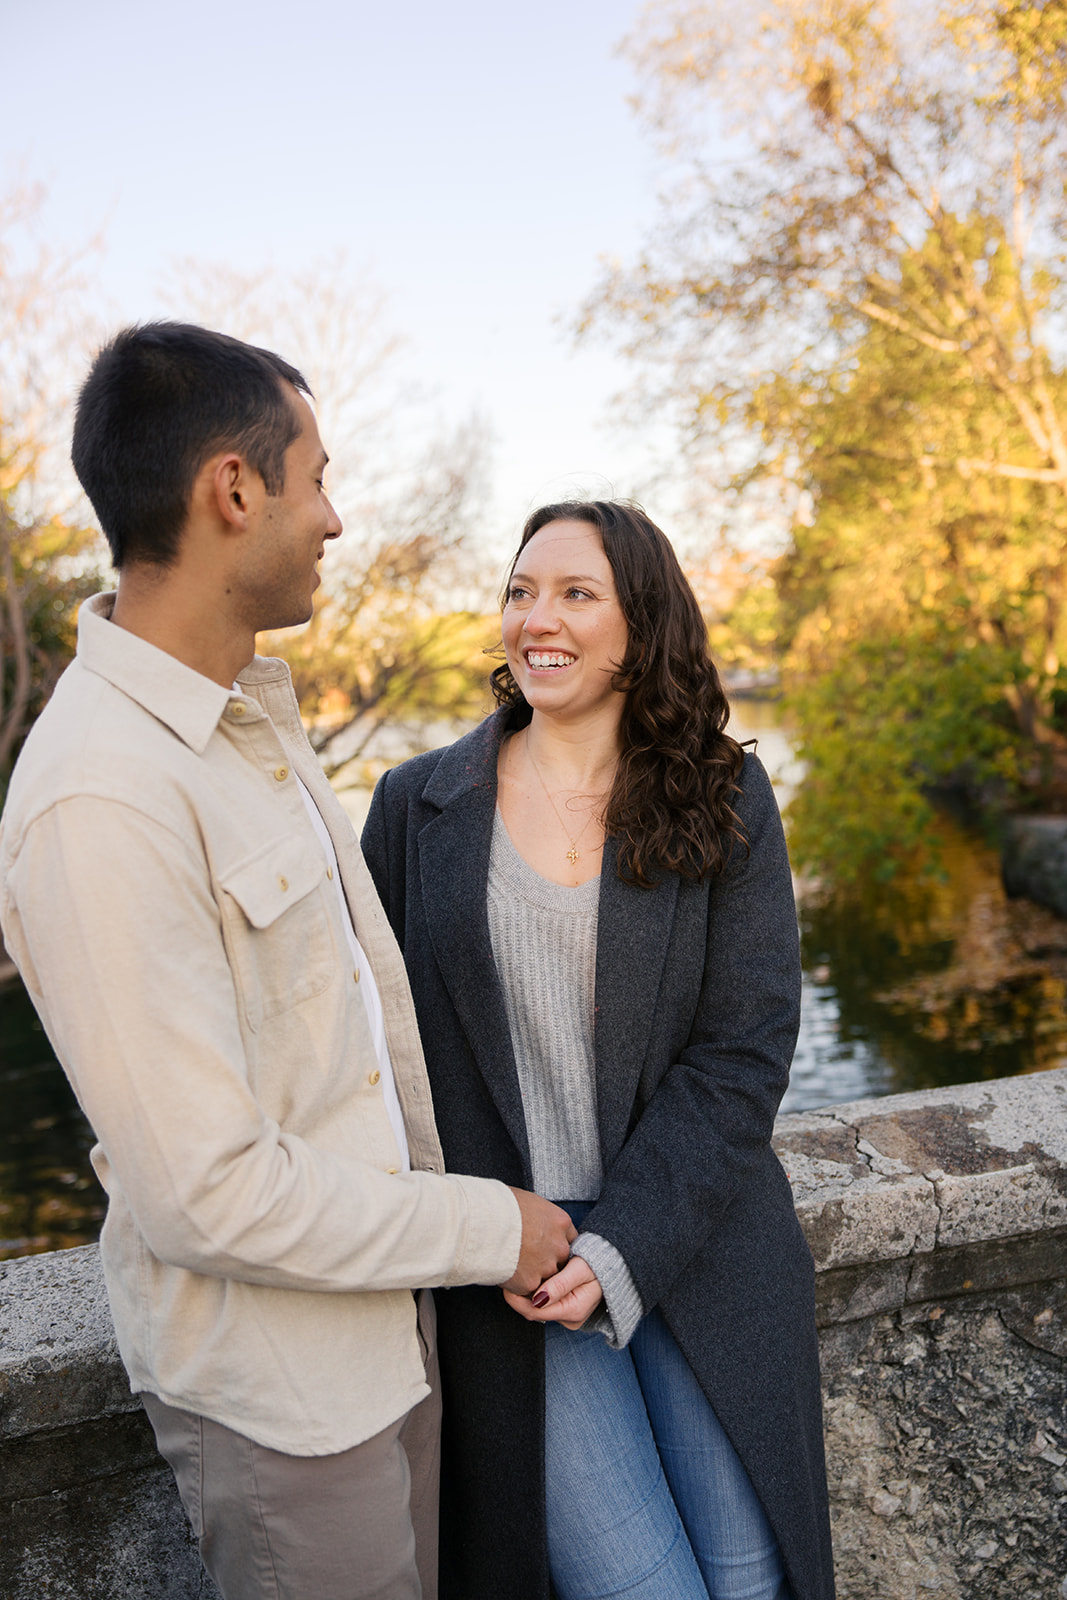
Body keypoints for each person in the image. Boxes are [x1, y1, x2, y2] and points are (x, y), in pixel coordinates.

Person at [0, 323, 577, 1600]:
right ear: (233, 488)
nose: (333, 516)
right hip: (287, 1405)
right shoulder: (103, 792)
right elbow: (205, 1190)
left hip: (387, 1337)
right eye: (315, 476)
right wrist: (493, 1227)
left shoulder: (246, 719)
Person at [361, 500, 836, 1600]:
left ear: (640, 624)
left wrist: (619, 1245)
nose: (540, 618)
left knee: (749, 1573)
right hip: (514, 1275)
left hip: (695, 1233)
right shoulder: (413, 807)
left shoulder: (721, 794)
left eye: (577, 593)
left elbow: (742, 1050)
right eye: (522, 590)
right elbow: (371, 1049)